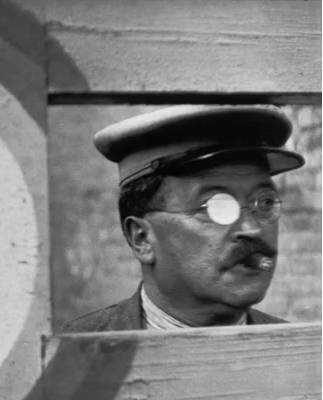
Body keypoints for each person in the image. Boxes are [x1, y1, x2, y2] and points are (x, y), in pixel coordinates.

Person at [61, 105, 305, 333]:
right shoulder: (72, 359)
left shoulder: (305, 359)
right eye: (215, 207)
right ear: (142, 239)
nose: (252, 229)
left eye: (265, 203)